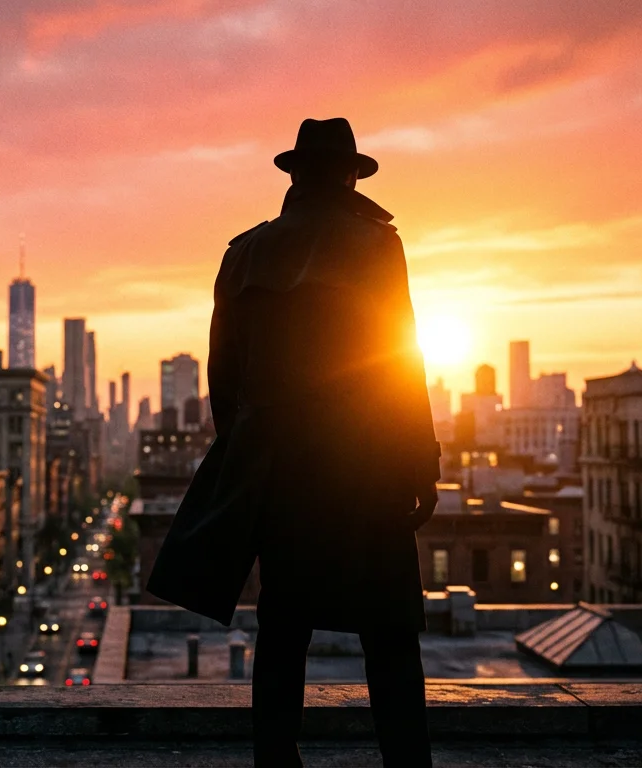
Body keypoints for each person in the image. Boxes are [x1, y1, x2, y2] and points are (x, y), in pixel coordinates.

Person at [146, 117, 441, 767]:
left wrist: (256, 454)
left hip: (283, 467)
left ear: (293, 176)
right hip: (368, 464)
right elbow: (401, 359)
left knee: (283, 628)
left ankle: (275, 764)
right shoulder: (376, 246)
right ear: (347, 175)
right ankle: (407, 766)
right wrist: (421, 461)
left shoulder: (245, 252)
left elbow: (223, 382)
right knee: (390, 632)